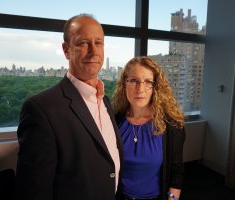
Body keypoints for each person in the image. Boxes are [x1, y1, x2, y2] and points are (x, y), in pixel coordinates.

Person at [15, 14, 123, 200]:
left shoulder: (104, 100)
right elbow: (34, 192)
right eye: (83, 43)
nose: (93, 51)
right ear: (66, 50)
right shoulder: (41, 109)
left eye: (98, 42)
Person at [113, 56, 186, 200]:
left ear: (156, 87)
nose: (140, 89)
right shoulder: (114, 121)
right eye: (134, 81)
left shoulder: (172, 126)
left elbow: (176, 172)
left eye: (148, 82)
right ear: (124, 84)